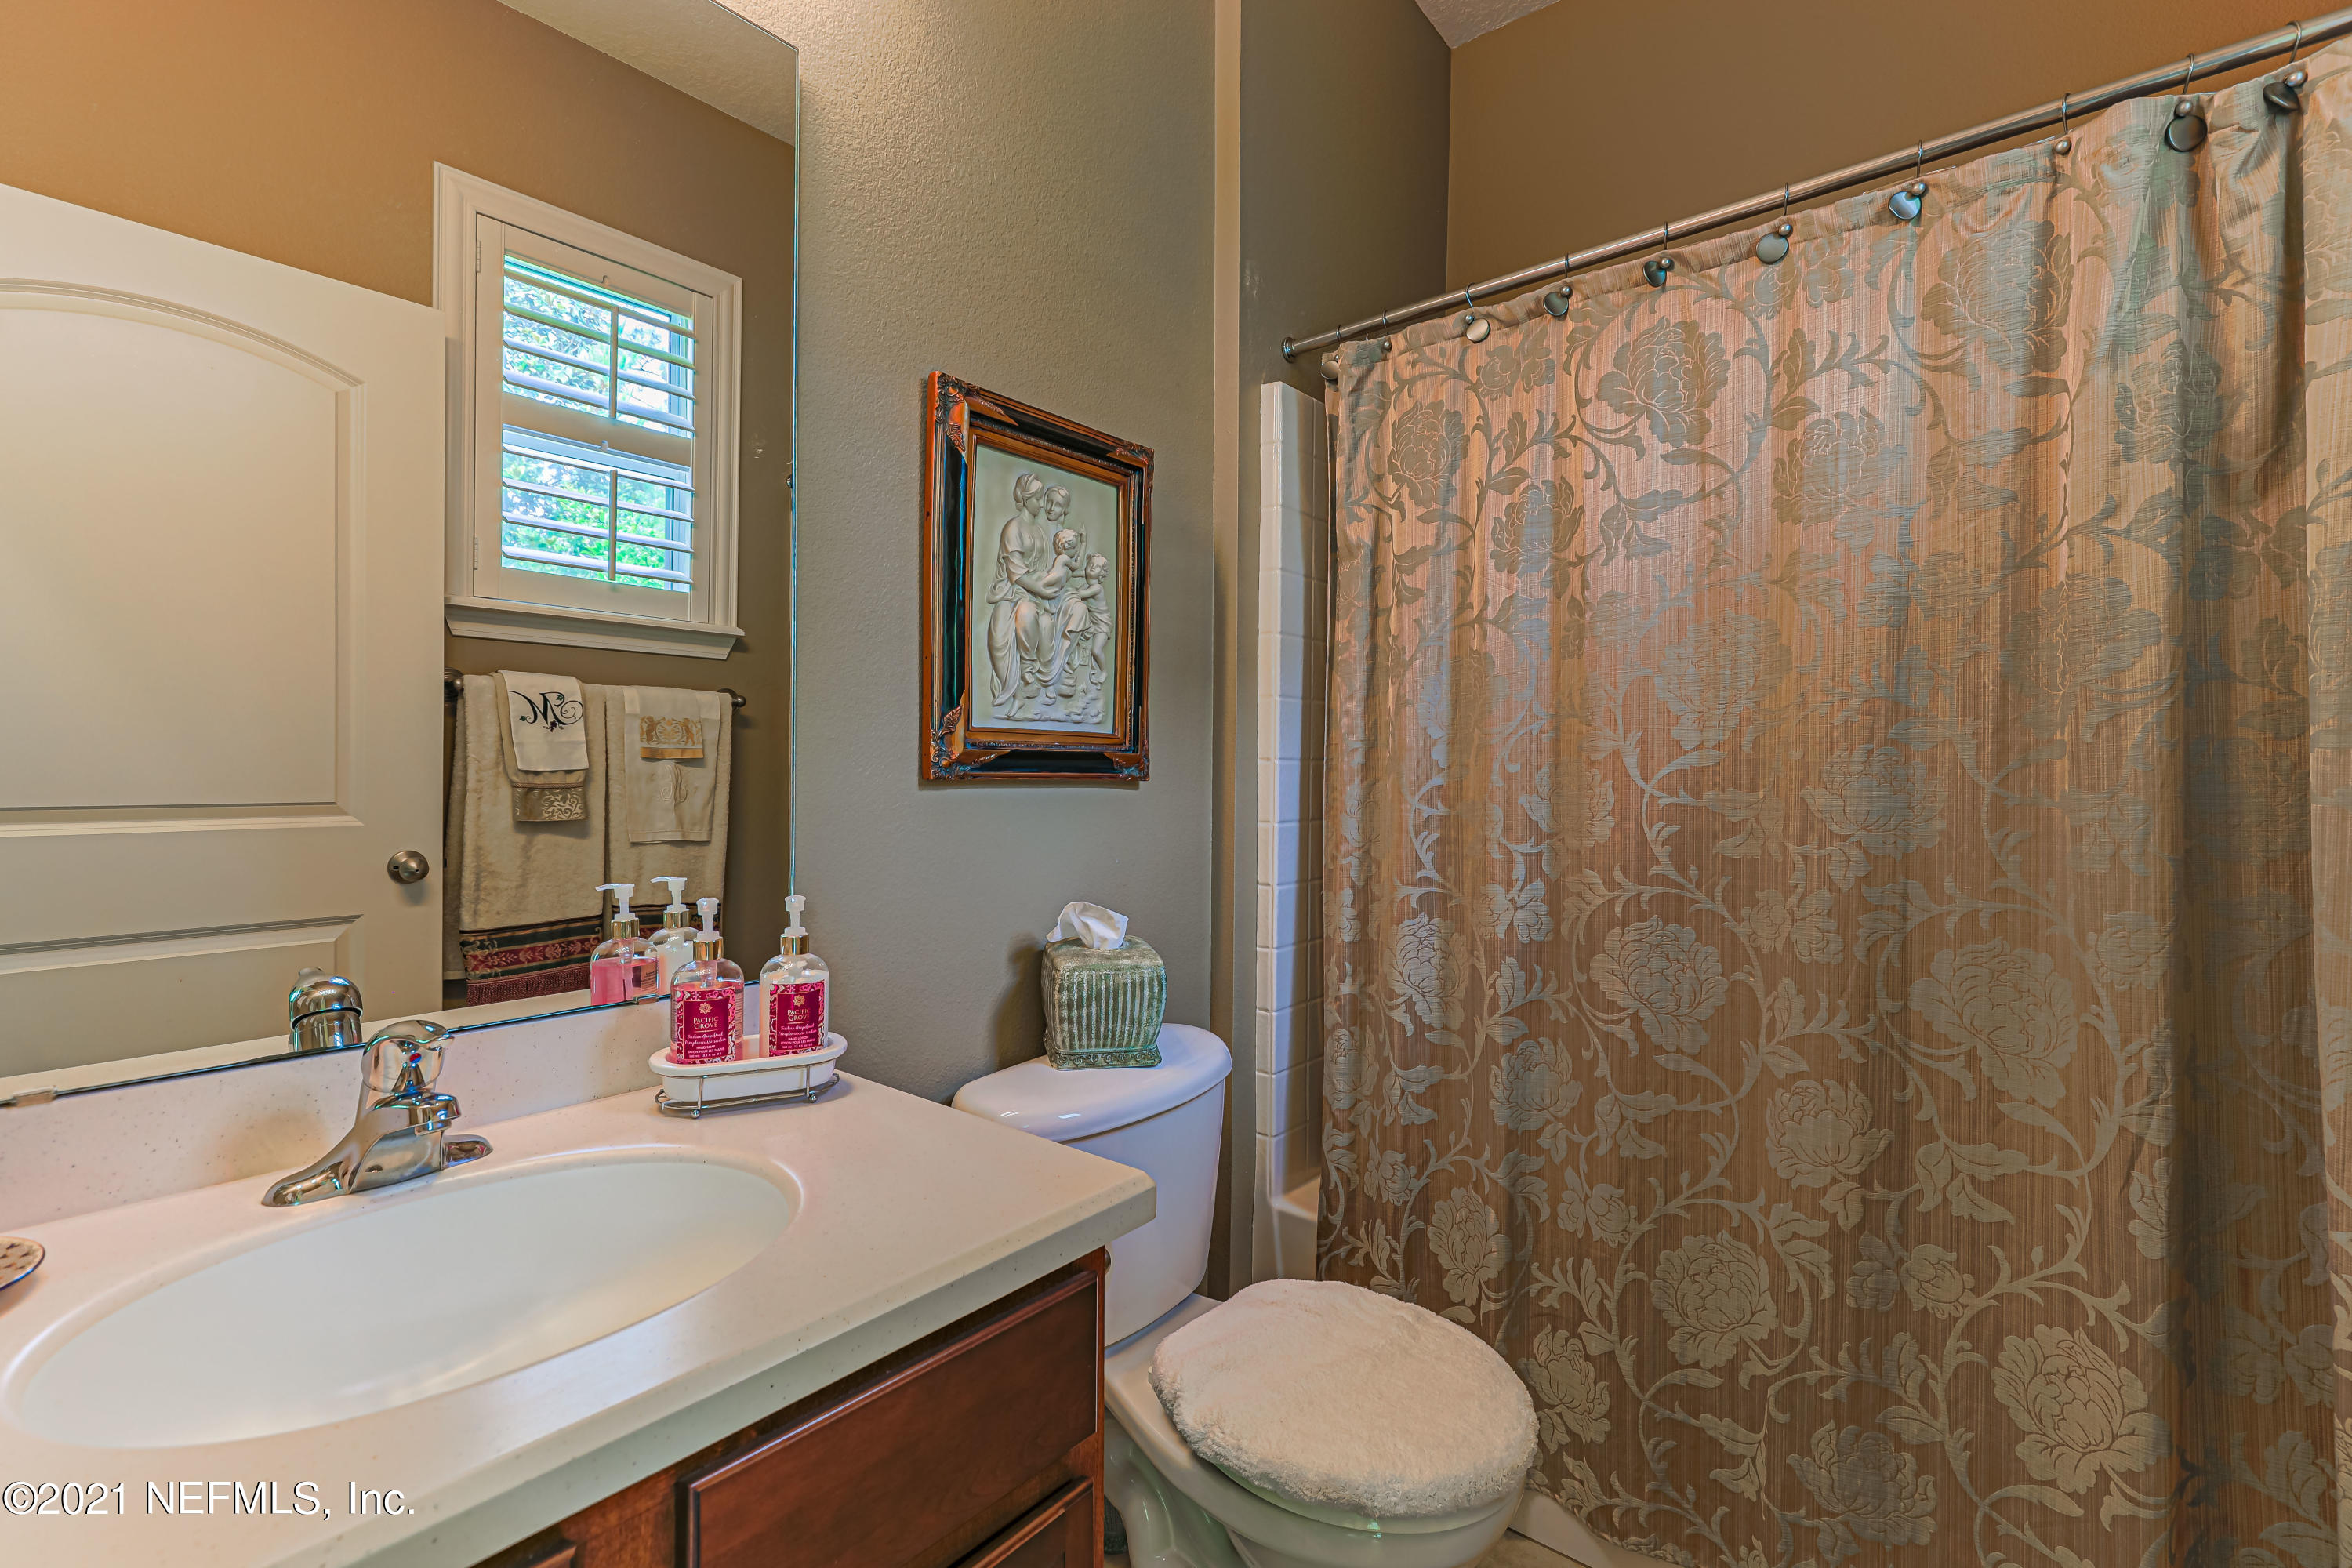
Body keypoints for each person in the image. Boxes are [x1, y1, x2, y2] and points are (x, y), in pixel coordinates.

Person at [982, 473, 1051, 715]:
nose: (1042, 505)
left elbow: (1042, 570)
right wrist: (1041, 588)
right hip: (1009, 593)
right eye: (1038, 499)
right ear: (1025, 498)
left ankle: (1030, 671)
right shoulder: (1013, 528)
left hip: (1034, 594)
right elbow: (1017, 574)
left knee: (1031, 612)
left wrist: (1046, 587)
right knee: (1000, 637)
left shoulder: (1041, 532)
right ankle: (1014, 692)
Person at [1056, 554, 1111, 706]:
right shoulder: (1087, 577)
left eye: (1098, 566)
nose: (1093, 567)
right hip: (1092, 621)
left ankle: (1104, 670)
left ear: (1102, 573)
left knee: (1096, 650)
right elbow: (1074, 572)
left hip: (1102, 624)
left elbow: (1081, 594)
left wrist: (1063, 590)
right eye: (1091, 564)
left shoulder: (1097, 587)